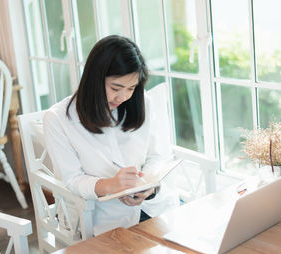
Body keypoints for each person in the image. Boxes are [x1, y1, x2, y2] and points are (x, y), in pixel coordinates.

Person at [43, 35, 179, 235]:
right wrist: (110, 185)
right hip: (102, 219)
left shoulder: (143, 103)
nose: (123, 97)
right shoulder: (58, 119)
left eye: (131, 88)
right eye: (116, 88)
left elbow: (157, 156)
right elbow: (72, 179)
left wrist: (148, 186)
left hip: (154, 207)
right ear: (94, 80)